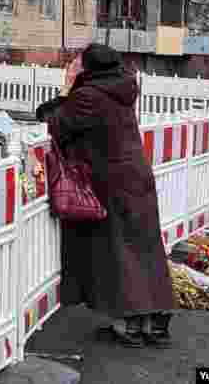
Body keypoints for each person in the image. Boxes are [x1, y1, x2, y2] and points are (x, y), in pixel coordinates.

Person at [35, 44, 175, 348]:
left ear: (88, 68)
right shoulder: (120, 88)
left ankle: (129, 326)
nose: (72, 65)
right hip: (135, 177)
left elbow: (55, 123)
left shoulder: (88, 96)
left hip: (111, 180)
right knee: (144, 249)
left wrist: (67, 87)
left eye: (76, 62)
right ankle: (153, 323)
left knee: (119, 253)